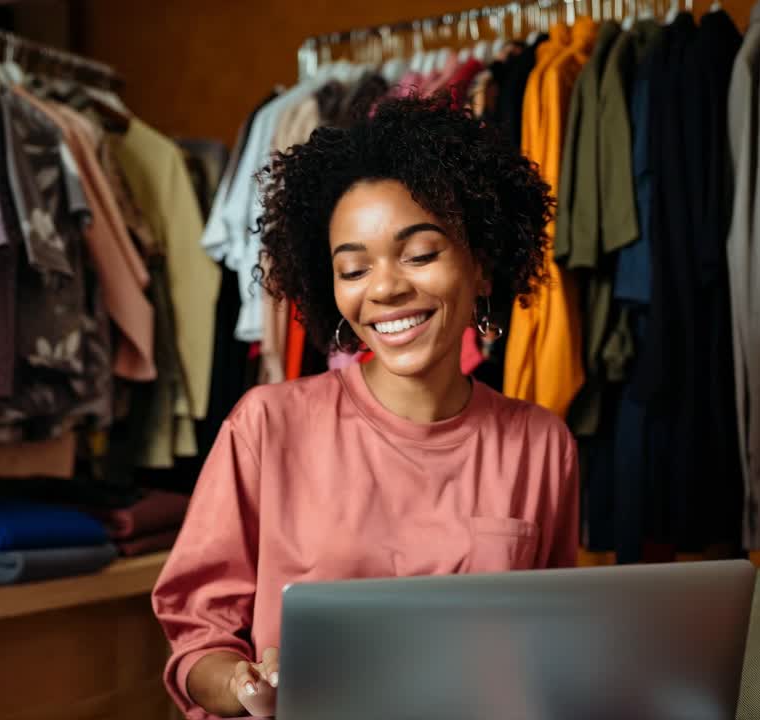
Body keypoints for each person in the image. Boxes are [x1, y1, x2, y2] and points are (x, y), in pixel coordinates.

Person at [152, 94, 579, 719]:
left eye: (421, 254)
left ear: (482, 265)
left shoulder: (542, 445)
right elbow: (197, 639)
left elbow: (551, 645)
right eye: (353, 269)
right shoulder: (267, 426)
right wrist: (249, 687)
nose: (384, 288)